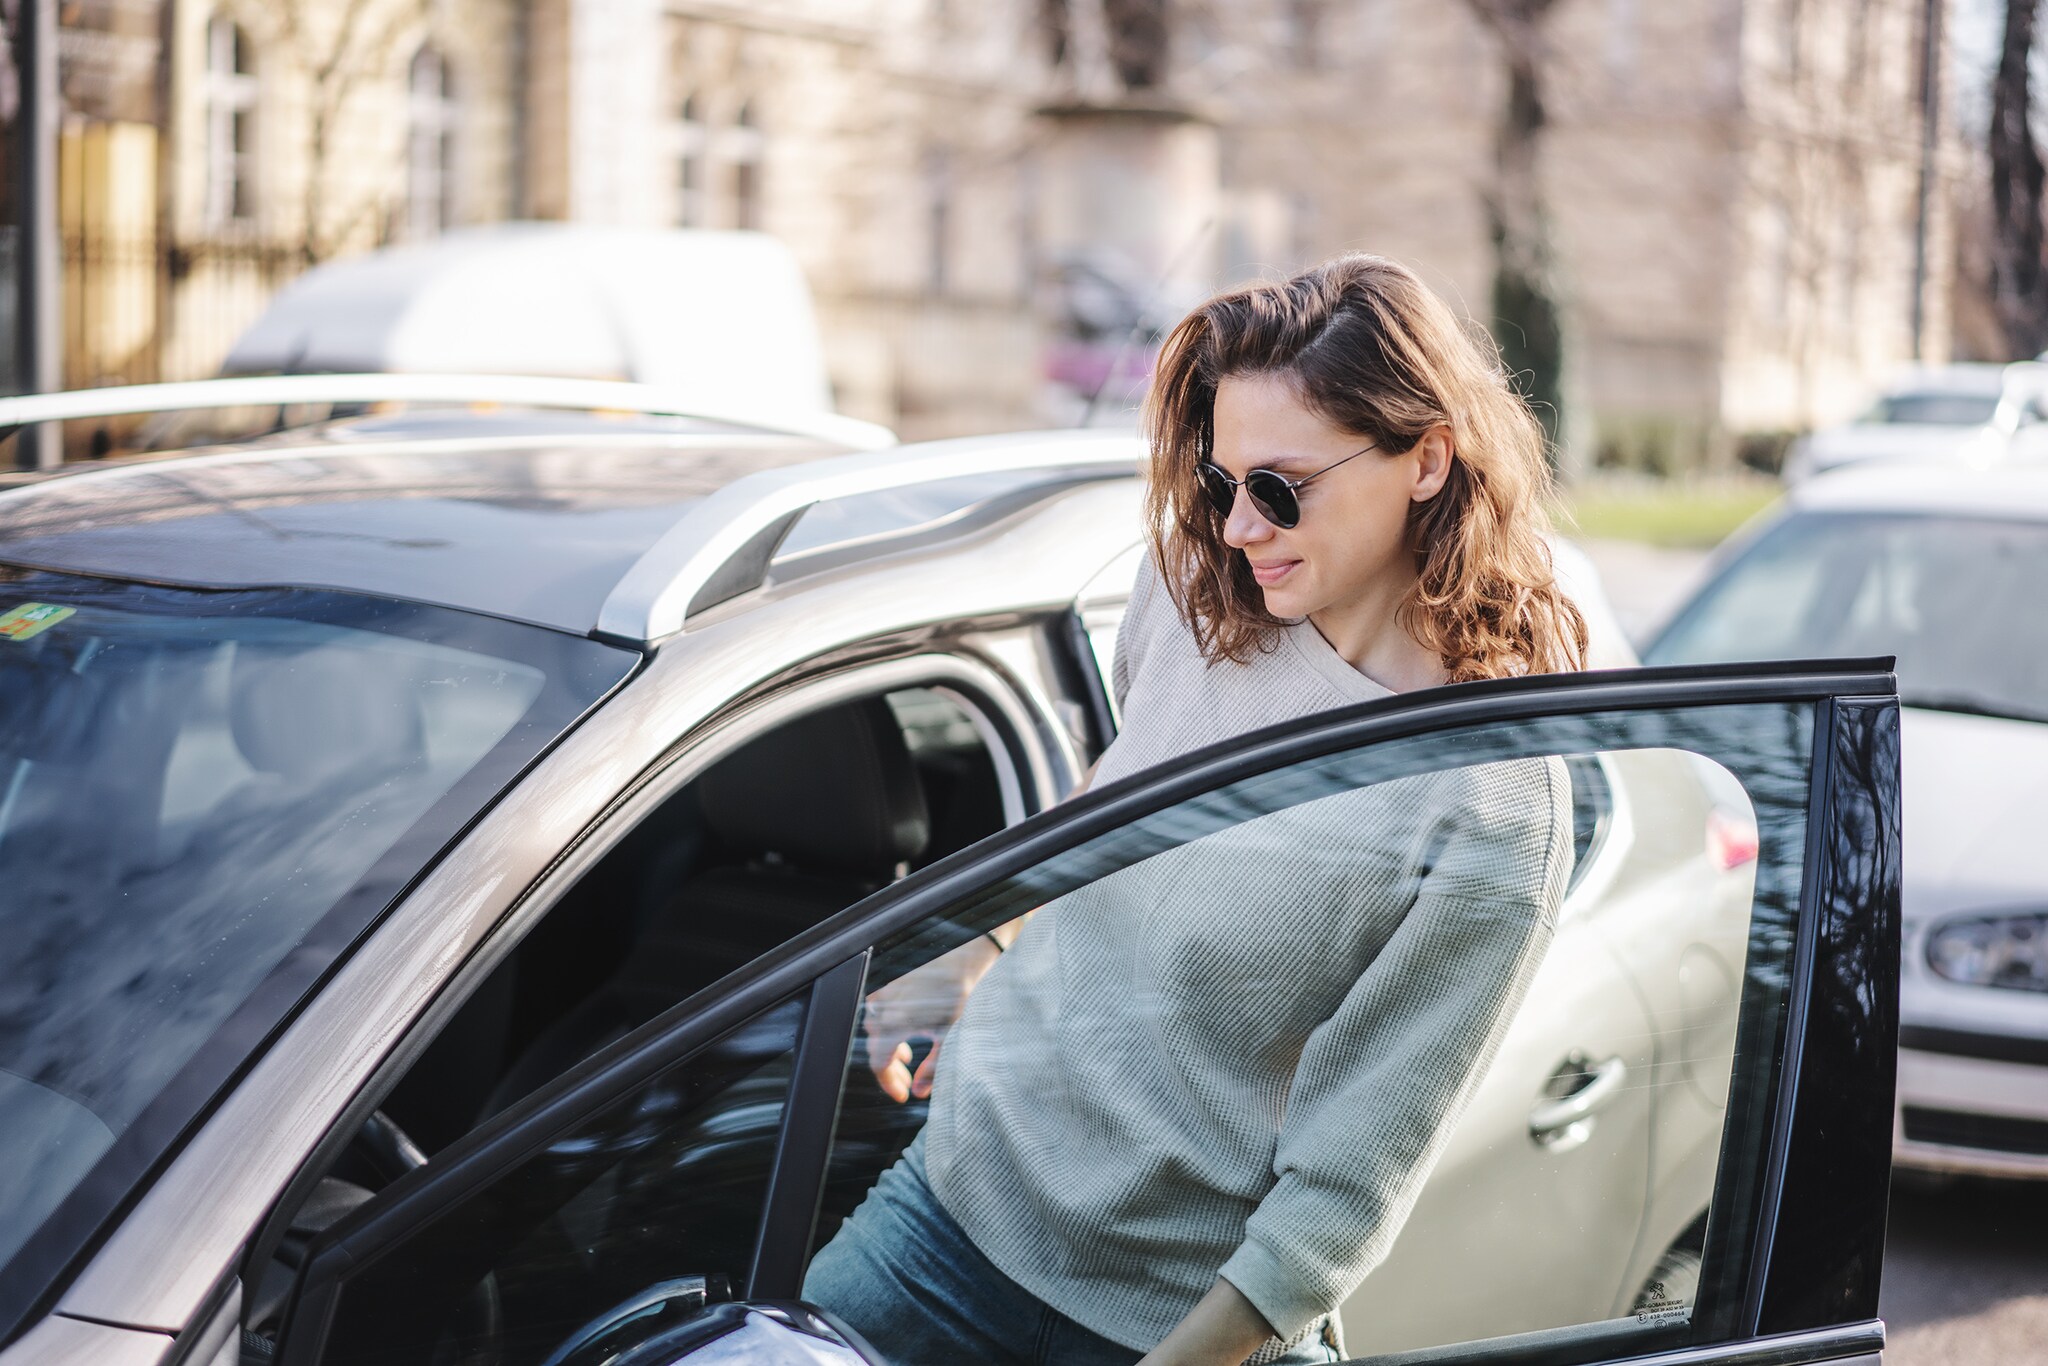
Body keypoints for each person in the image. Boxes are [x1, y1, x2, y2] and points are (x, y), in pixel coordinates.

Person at [803, 254, 1590, 1366]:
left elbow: (1344, 1189)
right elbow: (1117, 793)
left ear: (1424, 458)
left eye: (1279, 488)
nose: (1235, 530)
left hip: (1171, 1329)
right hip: (948, 1207)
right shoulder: (1191, 598)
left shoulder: (1488, 802)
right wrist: (973, 944)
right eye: (1223, 487)